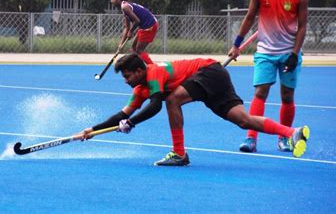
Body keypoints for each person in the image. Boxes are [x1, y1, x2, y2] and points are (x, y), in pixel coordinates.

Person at [79, 53, 310, 166]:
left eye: (127, 76)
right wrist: (92, 129)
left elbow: (157, 104)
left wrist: (131, 123)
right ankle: (292, 133)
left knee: (172, 100)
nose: (125, 81)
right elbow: (122, 114)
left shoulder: (153, 73)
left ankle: (179, 153)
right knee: (244, 121)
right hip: (211, 78)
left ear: (139, 71)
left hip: (208, 71)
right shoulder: (140, 89)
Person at [227, 0, 309, 154]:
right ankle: (251, 139)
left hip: (289, 52)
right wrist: (236, 44)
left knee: (287, 96)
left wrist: (294, 53)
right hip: (265, 51)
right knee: (260, 92)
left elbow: (302, 27)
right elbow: (249, 18)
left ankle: (284, 137)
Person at [110, 0, 158, 64]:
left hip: (149, 25)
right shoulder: (124, 8)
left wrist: (131, 32)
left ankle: (153, 68)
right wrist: (121, 44)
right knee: (133, 48)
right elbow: (127, 28)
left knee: (139, 50)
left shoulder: (125, 6)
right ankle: (137, 67)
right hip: (143, 27)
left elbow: (137, 21)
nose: (111, 1)